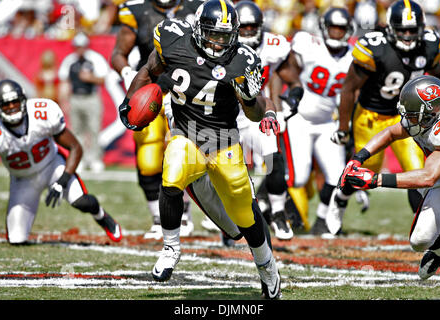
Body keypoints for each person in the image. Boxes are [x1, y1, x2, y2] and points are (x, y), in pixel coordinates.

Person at [118, 0, 282, 299]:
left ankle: (267, 265)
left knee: (245, 214)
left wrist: (249, 100)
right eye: (213, 35)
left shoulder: (242, 59)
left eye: (225, 36)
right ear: (197, 29)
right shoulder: (172, 39)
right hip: (186, 133)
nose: (219, 43)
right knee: (171, 177)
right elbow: (149, 69)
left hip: (224, 141)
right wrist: (129, 103)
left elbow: (256, 113)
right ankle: (170, 247)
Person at [327, 0, 440, 235]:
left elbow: (438, 76)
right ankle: (340, 197)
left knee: (416, 171)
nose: (408, 35)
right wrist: (343, 127)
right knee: (364, 167)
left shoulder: (430, 45)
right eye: (403, 30)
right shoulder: (375, 48)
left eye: (413, 30)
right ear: (390, 28)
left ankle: (427, 234)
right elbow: (349, 88)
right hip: (371, 115)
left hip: (412, 120)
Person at [111, 0, 205, 239]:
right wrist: (129, 73)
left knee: (185, 150)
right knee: (149, 156)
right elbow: (119, 54)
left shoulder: (197, 7)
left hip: (186, 89)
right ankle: (157, 217)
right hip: (151, 89)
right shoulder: (137, 10)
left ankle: (184, 213)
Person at [340, 75, 440, 280]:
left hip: (436, 177)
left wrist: (376, 180)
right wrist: (357, 159)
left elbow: (428, 177)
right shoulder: (427, 119)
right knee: (420, 240)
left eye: (414, 115)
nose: (409, 120)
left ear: (432, 111)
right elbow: (390, 134)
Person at [0, 79, 122, 244]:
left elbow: (75, 147)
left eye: (14, 102)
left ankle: (101, 215)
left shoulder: (42, 113)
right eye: (6, 105)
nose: (12, 107)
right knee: (16, 238)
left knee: (80, 201)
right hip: (22, 179)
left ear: (23, 100)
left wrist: (62, 181)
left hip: (52, 165)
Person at [272, 7, 356, 235]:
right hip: (299, 118)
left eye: (341, 29)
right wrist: (279, 108)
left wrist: (346, 126)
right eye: (333, 28)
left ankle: (322, 221)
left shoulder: (353, 54)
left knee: (338, 176)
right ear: (324, 28)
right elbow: (281, 71)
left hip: (328, 120)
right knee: (297, 176)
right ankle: (266, 202)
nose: (337, 33)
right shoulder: (307, 45)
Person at [233, 0, 295, 240]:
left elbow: (286, 75)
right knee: (226, 171)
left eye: (252, 26)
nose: (248, 31)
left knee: (275, 161)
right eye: (244, 27)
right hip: (230, 117)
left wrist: (286, 103)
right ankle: (224, 220)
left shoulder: (272, 46)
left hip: (259, 113)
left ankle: (278, 212)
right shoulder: (224, 46)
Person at [58, 32, 109, 173]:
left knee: (93, 129)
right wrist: (64, 100)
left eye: (82, 46)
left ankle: (94, 159)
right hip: (75, 98)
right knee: (77, 130)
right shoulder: (70, 60)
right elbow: (64, 81)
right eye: (77, 46)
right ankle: (80, 159)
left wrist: (90, 78)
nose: (79, 49)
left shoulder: (95, 59)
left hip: (91, 97)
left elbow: (103, 79)